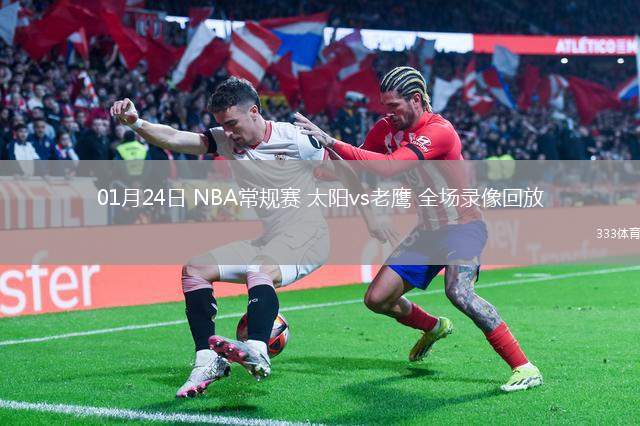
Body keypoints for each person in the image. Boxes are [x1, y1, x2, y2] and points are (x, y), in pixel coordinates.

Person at [110, 77, 387, 398]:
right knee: (195, 268)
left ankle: (257, 349)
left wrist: (372, 218)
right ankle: (207, 360)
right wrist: (137, 123)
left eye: (232, 124)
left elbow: (347, 173)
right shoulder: (227, 140)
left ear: (254, 111)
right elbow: (174, 137)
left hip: (308, 236)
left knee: (260, 268)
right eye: (222, 125)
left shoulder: (296, 140)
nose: (227, 133)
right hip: (270, 239)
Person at [295, 66, 543, 393]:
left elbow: (389, 167)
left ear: (415, 99)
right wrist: (307, 165)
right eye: (385, 107)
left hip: (463, 226)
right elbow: (357, 167)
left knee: (458, 292)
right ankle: (434, 326)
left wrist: (332, 140)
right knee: (377, 298)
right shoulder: (387, 128)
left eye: (394, 106)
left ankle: (524, 367)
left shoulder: (439, 131)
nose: (388, 114)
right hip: (427, 231)